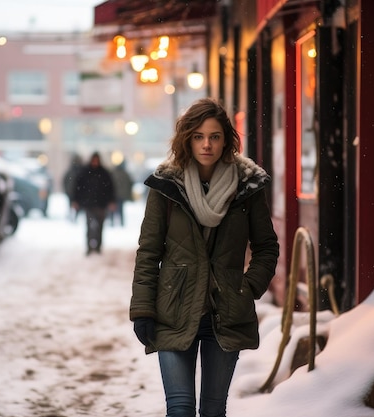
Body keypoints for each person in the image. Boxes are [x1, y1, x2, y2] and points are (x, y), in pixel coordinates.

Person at [130, 98, 279, 417]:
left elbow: (267, 246)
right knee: (180, 409)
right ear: (187, 139)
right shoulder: (167, 186)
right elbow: (148, 252)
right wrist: (143, 309)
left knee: (213, 410)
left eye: (214, 136)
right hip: (174, 310)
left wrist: (247, 288)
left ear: (226, 139)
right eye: (198, 136)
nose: (207, 144)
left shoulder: (247, 187)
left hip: (224, 314)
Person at [71, 152, 115, 255]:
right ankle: (89, 246)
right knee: (89, 226)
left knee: (100, 227)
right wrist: (75, 200)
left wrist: (111, 201)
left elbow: (110, 188)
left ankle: (98, 246)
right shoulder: (85, 172)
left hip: (101, 204)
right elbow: (78, 187)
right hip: (89, 204)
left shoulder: (104, 173)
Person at [109, 160, 134, 227]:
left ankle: (112, 222)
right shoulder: (124, 173)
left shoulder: (113, 173)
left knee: (113, 209)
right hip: (121, 195)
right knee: (120, 209)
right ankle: (121, 222)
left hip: (114, 194)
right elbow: (130, 183)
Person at [62, 154, 83, 222]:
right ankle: (73, 217)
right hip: (72, 192)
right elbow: (65, 181)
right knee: (73, 205)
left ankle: (74, 216)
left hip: (73, 192)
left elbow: (65, 181)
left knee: (74, 205)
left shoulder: (73, 171)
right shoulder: (76, 171)